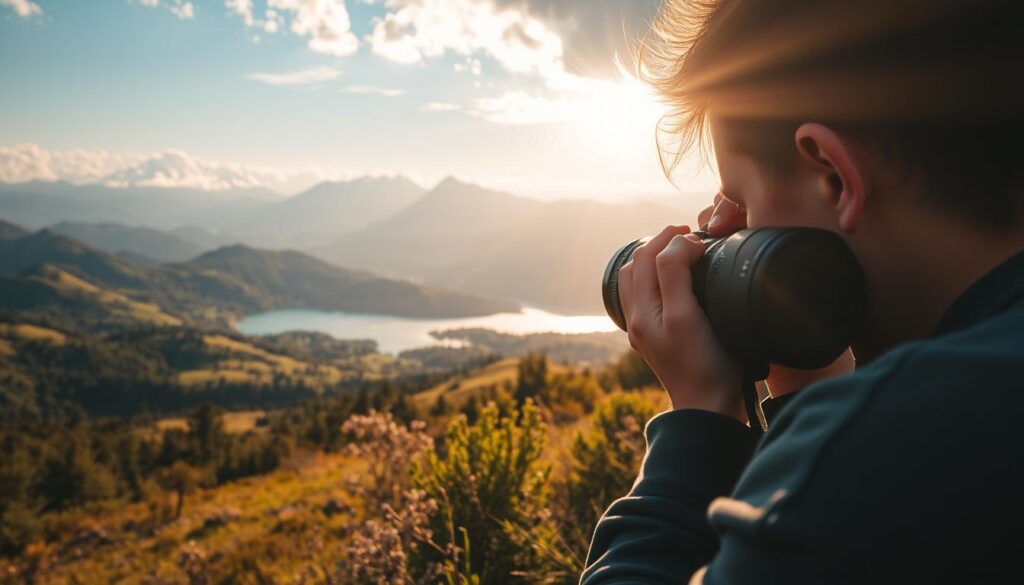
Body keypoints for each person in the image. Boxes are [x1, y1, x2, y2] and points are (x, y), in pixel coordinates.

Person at [581, 0, 1024, 582]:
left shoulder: (878, 447)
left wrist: (698, 424)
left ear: (834, 177)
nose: (724, 226)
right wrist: (802, 386)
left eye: (742, 196)